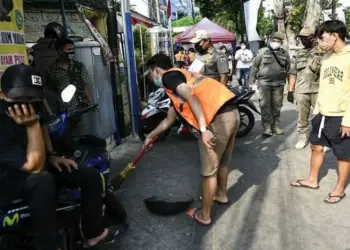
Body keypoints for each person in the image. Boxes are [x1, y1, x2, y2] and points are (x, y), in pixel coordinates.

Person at [0, 64, 112, 249]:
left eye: (32, 99)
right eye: (20, 98)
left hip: (33, 165)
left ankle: (93, 233)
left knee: (88, 174)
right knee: (41, 180)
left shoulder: (32, 106)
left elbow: (43, 126)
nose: (27, 104)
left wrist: (52, 156)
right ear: (3, 93)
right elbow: (33, 167)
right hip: (7, 176)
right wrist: (32, 125)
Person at [144, 54, 240, 226]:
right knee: (223, 161)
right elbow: (169, 120)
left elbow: (191, 96)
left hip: (216, 120)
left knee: (209, 171)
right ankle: (221, 194)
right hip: (231, 112)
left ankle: (204, 215)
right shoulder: (181, 77)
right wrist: (151, 135)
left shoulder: (168, 77)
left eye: (150, 74)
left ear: (156, 70)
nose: (152, 78)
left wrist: (204, 130)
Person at [291, 20, 350, 204]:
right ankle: (312, 179)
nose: (320, 42)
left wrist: (348, 120)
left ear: (335, 36)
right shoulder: (326, 57)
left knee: (343, 154)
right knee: (316, 146)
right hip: (322, 114)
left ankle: (339, 189)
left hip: (341, 115)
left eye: (322, 37)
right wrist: (317, 111)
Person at [288, 27, 325, 149]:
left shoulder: (323, 52)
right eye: (301, 38)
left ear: (313, 37)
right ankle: (303, 138)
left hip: (318, 90)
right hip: (302, 91)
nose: (303, 40)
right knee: (302, 117)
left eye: (306, 38)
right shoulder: (298, 54)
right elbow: (293, 73)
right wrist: (290, 90)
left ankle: (322, 139)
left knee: (321, 116)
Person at [250, 32, 291, 137]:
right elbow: (255, 66)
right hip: (264, 83)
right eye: (274, 41)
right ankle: (267, 127)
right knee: (265, 105)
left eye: (278, 41)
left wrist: (291, 87)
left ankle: (275, 126)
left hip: (279, 84)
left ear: (281, 43)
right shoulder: (263, 52)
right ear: (270, 41)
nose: (276, 43)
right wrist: (252, 80)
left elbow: (288, 70)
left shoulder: (285, 53)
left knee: (277, 106)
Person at [47, 37, 93, 114]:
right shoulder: (52, 70)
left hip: (80, 106)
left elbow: (86, 85)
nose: (72, 52)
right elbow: (51, 89)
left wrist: (90, 100)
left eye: (72, 49)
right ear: (60, 51)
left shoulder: (79, 66)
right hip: (63, 108)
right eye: (68, 50)